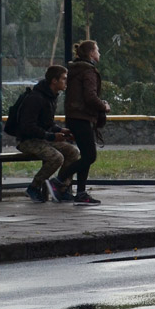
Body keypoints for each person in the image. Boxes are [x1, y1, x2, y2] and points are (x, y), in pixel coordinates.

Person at [13, 65, 80, 203]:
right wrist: (51, 136)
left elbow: (47, 123)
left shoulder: (51, 96)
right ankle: (34, 187)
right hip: (27, 140)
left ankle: (62, 188)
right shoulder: (36, 98)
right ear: (54, 81)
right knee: (56, 157)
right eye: (64, 79)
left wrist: (60, 131)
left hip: (42, 138)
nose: (66, 82)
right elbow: (27, 126)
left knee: (73, 152)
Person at [65, 39, 111, 205]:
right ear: (91, 53)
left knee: (86, 155)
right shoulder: (88, 71)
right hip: (82, 117)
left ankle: (81, 192)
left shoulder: (75, 69)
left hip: (74, 116)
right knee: (90, 156)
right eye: (97, 50)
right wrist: (104, 106)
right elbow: (90, 97)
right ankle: (59, 180)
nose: (99, 53)